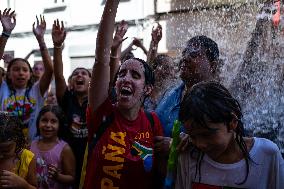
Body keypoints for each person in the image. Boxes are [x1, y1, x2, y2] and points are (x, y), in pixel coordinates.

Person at [84, 0, 164, 188]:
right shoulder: (102, 113)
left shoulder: (153, 123)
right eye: (121, 74)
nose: (126, 78)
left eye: (135, 75)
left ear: (147, 89)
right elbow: (101, 60)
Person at [175, 81, 284, 189]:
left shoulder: (266, 154)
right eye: (192, 136)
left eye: (207, 135)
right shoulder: (189, 154)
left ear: (232, 122)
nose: (200, 144)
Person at [0, 11, 53, 140]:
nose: (21, 73)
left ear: (30, 74)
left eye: (25, 70)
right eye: (16, 69)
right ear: (9, 73)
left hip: (33, 147)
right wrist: (5, 33)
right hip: (6, 147)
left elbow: (50, 70)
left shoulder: (36, 90)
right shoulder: (3, 88)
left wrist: (41, 40)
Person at [52, 19, 91, 188]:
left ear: (91, 81)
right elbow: (59, 75)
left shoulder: (97, 101)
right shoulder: (67, 99)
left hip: (91, 158)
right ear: (72, 82)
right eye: (76, 74)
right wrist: (57, 47)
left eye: (84, 73)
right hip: (68, 159)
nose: (79, 75)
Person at [30, 105, 75, 189]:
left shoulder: (65, 149)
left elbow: (72, 178)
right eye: (44, 120)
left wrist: (58, 176)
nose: (48, 125)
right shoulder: (31, 146)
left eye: (53, 121)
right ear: (38, 122)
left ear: (60, 125)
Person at [0, 111, 37, 189]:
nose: (1, 154)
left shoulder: (27, 158)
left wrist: (24, 185)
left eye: (6, 150)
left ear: (17, 140)